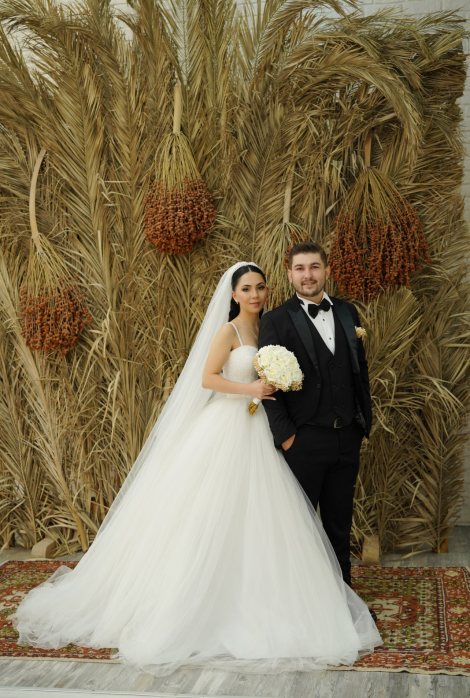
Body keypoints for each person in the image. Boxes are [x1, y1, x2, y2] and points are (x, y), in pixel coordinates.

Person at [12, 261, 381, 677]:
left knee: (265, 517)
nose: (256, 295)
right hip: (231, 426)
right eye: (247, 289)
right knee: (215, 514)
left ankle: (275, 594)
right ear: (233, 294)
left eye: (260, 287)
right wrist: (251, 388)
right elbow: (208, 378)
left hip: (268, 428)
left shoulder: (275, 327)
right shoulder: (229, 331)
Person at [259, 242, 373, 610]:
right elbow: (268, 387)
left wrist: (360, 422)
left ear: (326, 269)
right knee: (300, 530)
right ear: (289, 273)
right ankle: (299, 608)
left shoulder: (347, 311)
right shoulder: (275, 319)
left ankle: (343, 606)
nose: (308, 275)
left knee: (339, 527)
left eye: (314, 267)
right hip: (303, 441)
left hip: (347, 437)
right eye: (300, 268)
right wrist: (288, 437)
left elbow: (359, 369)